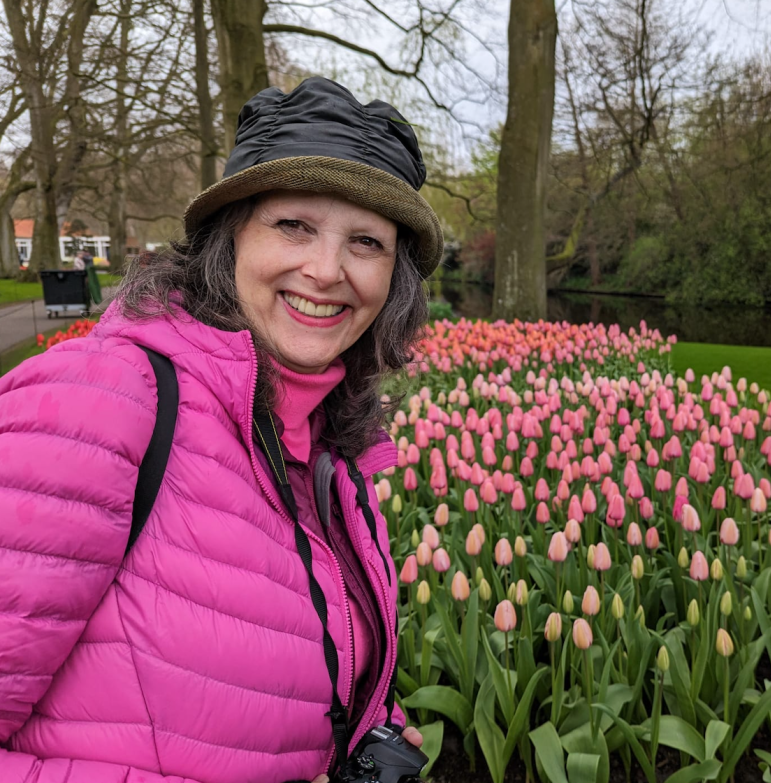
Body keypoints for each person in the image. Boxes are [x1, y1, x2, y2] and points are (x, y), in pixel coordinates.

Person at [0, 77, 442, 783]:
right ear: (228, 237)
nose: (325, 270)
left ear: (395, 280)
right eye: (293, 225)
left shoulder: (330, 455)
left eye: (365, 242)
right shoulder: (100, 401)